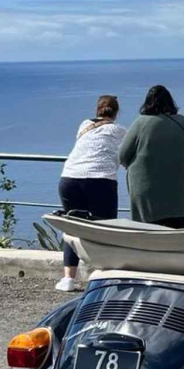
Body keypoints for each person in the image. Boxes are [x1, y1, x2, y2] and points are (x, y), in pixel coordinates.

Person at [55, 94, 126, 291]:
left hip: (69, 177)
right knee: (105, 229)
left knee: (72, 227)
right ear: (117, 112)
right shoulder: (119, 130)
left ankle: (68, 278)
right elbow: (126, 153)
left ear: (97, 110)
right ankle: (103, 276)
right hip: (101, 180)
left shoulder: (84, 125)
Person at [119, 85, 184, 228]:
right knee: (176, 234)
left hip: (148, 195)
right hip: (178, 191)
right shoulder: (181, 121)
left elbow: (123, 155)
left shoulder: (141, 123)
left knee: (149, 235)